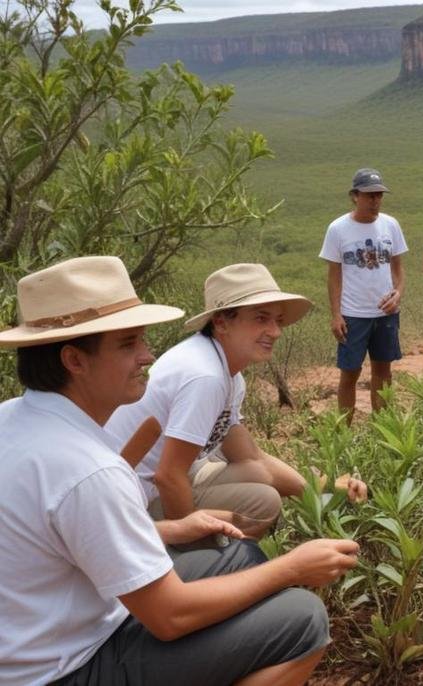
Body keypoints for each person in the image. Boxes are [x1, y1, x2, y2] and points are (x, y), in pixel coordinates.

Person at [0, 256, 359, 686]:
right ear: (74, 360)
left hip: (44, 632)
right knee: (302, 620)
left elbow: (52, 537)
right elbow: (169, 617)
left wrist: (172, 530)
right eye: (128, 344)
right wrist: (292, 567)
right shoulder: (88, 470)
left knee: (239, 556)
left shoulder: (14, 418)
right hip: (66, 666)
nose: (147, 355)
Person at [106, 263, 367, 540]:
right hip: (132, 500)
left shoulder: (227, 374)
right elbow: (168, 476)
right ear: (221, 322)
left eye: (277, 320)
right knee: (263, 502)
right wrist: (189, 539)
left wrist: (324, 491)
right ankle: (211, 564)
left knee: (255, 472)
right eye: (261, 318)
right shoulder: (205, 375)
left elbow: (250, 457)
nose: (275, 331)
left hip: (165, 479)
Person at [319, 168, 407, 424]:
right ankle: (344, 432)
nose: (375, 201)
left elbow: (399, 269)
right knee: (349, 374)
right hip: (353, 315)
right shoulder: (338, 229)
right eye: (369, 195)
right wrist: (336, 315)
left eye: (379, 195)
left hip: (385, 314)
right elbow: (334, 275)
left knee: (383, 371)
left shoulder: (390, 225)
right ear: (354, 196)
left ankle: (383, 430)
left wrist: (398, 293)